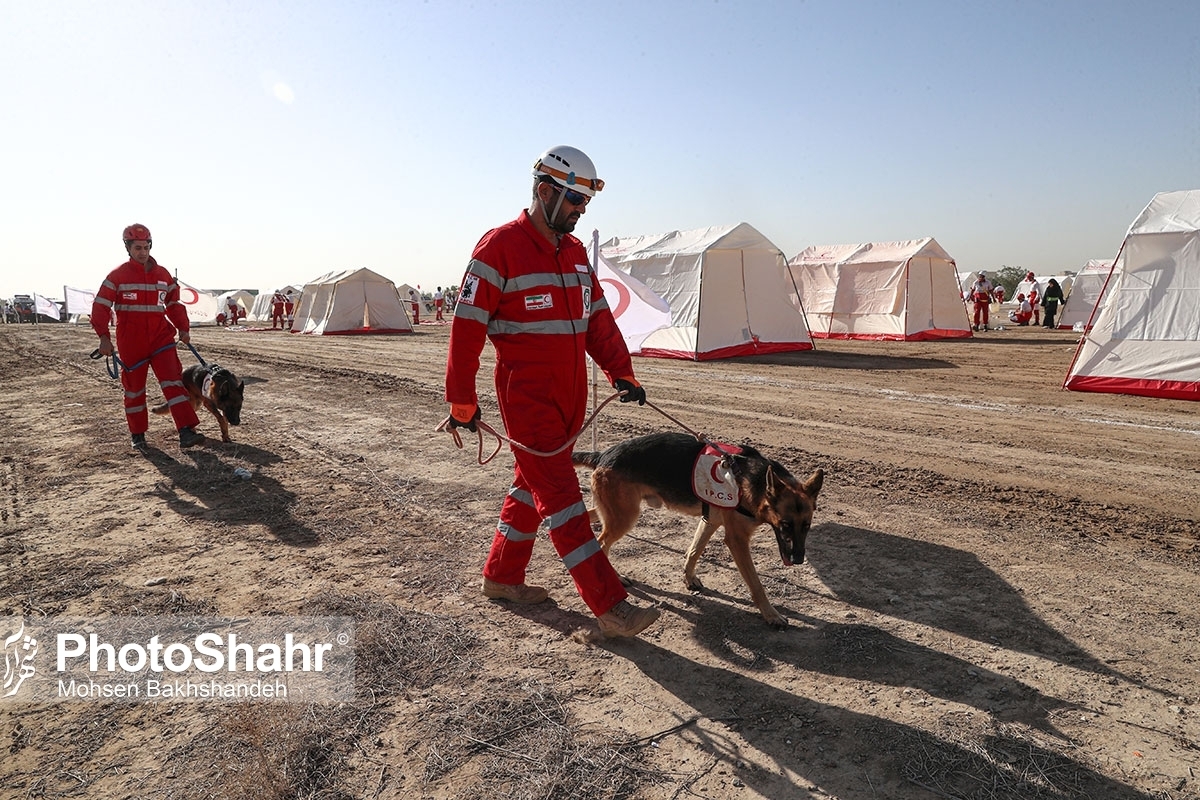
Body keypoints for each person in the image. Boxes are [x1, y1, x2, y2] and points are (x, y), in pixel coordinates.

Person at [443, 145, 660, 639]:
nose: (581, 213)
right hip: (527, 398)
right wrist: (462, 400)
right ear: (544, 191)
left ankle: (501, 576)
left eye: (585, 205)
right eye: (574, 202)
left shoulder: (576, 253)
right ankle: (610, 605)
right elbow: (466, 329)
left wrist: (621, 372)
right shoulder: (498, 249)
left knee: (530, 484)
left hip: (571, 394)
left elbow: (598, 318)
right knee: (562, 496)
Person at [91, 224, 205, 450]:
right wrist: (104, 337)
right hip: (131, 343)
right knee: (134, 389)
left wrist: (183, 328)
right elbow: (101, 306)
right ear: (128, 248)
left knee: (174, 383)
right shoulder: (117, 276)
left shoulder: (162, 274)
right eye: (137, 248)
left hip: (161, 339)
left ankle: (186, 430)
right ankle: (138, 434)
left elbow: (173, 303)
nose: (142, 252)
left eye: (146, 247)